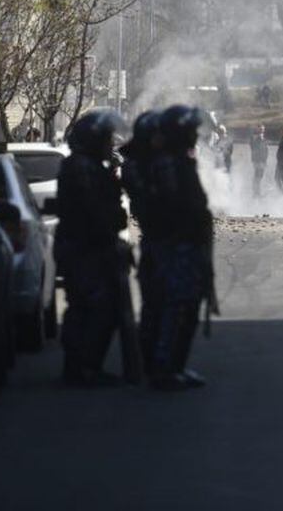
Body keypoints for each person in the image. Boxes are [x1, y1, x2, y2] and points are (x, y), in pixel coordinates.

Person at [54, 109, 129, 387]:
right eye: (106, 139)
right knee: (91, 309)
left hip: (90, 248)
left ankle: (86, 366)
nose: (110, 145)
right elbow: (94, 212)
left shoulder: (91, 167)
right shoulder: (82, 168)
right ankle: (79, 368)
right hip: (85, 249)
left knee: (98, 309)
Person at [147, 105, 215, 391]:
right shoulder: (167, 165)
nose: (194, 136)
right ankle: (164, 368)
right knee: (176, 309)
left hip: (188, 247)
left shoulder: (179, 162)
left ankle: (175, 366)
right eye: (190, 131)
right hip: (177, 249)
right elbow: (176, 209)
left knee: (187, 309)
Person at [120, 111, 164, 378]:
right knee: (158, 308)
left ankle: (151, 363)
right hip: (158, 244)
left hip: (156, 244)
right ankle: (152, 365)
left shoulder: (147, 164)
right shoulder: (142, 167)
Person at [250, 124, 269, 198]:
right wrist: (259, 139)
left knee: (260, 176)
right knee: (257, 176)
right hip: (257, 160)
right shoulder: (254, 138)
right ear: (257, 130)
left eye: (263, 129)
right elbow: (253, 147)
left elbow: (266, 149)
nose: (262, 130)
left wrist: (265, 160)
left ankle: (257, 192)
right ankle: (256, 192)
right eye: (260, 129)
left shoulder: (264, 138)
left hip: (263, 160)